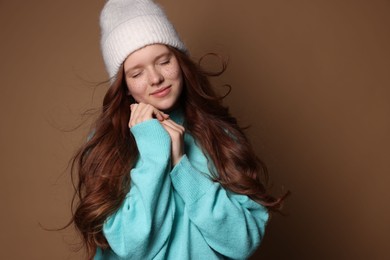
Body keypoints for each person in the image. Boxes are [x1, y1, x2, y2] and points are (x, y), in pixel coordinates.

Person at [70, 0, 286, 259]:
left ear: (180, 62)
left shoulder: (218, 134)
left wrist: (180, 163)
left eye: (163, 61)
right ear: (124, 86)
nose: (155, 78)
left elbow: (242, 241)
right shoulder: (108, 147)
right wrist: (153, 153)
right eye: (137, 73)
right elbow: (132, 246)